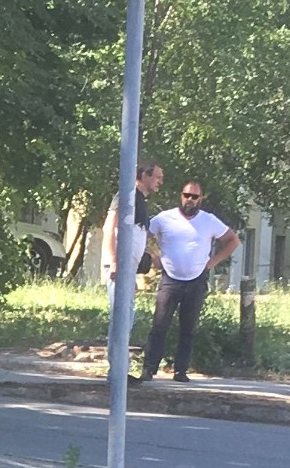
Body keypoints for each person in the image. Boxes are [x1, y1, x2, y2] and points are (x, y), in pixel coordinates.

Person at [137, 179, 236, 381]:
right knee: (159, 325)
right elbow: (140, 233)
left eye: (194, 196)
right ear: (181, 196)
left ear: (201, 199)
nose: (189, 200)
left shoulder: (209, 221)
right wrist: (152, 256)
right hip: (170, 279)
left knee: (188, 327)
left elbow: (233, 240)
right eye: (186, 195)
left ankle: (180, 371)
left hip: (196, 280)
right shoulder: (165, 218)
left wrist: (212, 262)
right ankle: (149, 369)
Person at [97, 161, 164, 290]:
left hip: (127, 268)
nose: (160, 182)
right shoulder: (128, 195)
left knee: (126, 309)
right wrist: (113, 261)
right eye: (158, 177)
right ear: (144, 175)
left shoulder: (140, 201)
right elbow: (109, 227)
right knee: (119, 309)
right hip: (118, 266)